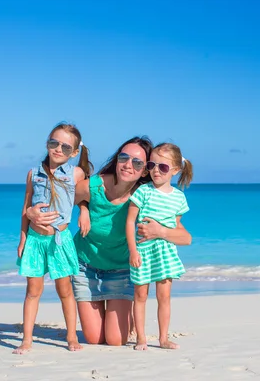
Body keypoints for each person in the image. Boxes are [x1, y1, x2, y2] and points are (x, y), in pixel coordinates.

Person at [26, 136, 192, 346]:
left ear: (145, 170)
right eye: (124, 157)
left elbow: (185, 237)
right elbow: (62, 199)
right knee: (94, 339)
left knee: (115, 340)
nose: (128, 165)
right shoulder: (94, 185)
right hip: (86, 266)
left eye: (138, 163)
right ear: (117, 159)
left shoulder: (145, 195)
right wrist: (82, 208)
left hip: (121, 270)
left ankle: (123, 317)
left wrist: (161, 231)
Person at [14, 123, 92, 354]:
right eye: (53, 143)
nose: (58, 149)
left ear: (74, 152)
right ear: (47, 143)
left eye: (65, 147)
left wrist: (84, 211)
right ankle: (27, 340)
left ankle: (70, 337)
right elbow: (26, 206)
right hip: (35, 241)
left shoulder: (76, 173)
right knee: (32, 291)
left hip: (60, 240)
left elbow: (86, 193)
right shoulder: (33, 173)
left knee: (65, 291)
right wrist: (22, 238)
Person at [126, 142, 193, 350]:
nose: (156, 170)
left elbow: (176, 226)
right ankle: (141, 338)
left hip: (165, 252)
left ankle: (163, 338)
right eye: (151, 165)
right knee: (140, 295)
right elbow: (129, 222)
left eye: (162, 167)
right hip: (143, 251)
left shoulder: (179, 198)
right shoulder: (143, 192)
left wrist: (163, 232)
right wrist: (133, 251)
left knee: (164, 297)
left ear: (175, 170)